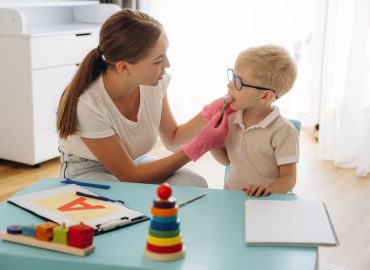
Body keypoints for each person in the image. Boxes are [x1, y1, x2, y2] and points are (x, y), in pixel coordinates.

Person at [56, 9, 233, 187]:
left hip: (133, 163)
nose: (167, 64)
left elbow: (172, 139)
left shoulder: (154, 83)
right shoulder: (89, 105)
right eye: (158, 60)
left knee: (193, 183)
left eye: (165, 54)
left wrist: (210, 112)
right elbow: (130, 177)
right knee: (132, 203)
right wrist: (198, 146)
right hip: (89, 170)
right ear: (124, 68)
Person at [210, 44, 299, 197]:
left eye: (239, 82)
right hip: (232, 196)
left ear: (265, 96)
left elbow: (289, 178)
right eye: (233, 77)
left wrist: (270, 189)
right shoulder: (231, 118)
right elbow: (226, 160)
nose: (229, 85)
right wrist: (211, 140)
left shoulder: (283, 130)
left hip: (268, 202)